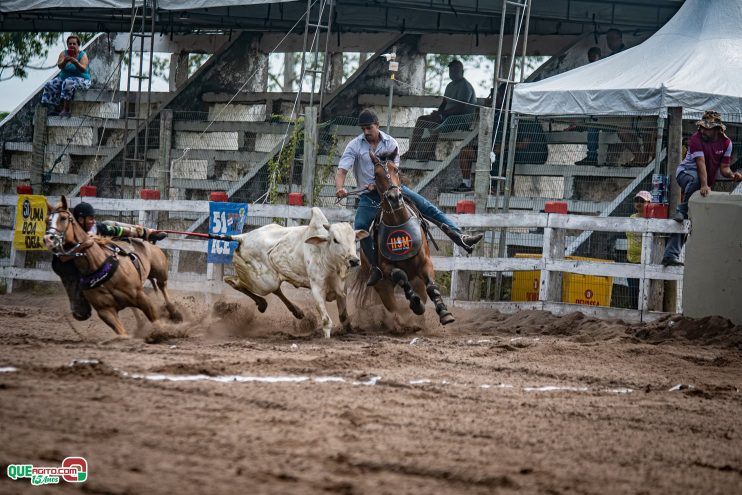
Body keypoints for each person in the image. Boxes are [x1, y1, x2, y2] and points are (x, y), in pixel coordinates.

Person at [336, 109, 484, 286]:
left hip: (394, 190)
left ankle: (460, 237)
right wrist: (340, 188)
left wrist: (377, 184)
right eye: (363, 128)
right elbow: (342, 170)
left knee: (428, 208)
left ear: (377, 125)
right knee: (360, 227)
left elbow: (392, 171)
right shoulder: (354, 145)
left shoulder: (391, 143)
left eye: (369, 127)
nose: (366, 132)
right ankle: (375, 267)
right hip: (370, 197)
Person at [51, 202, 167, 321]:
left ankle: (147, 233)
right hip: (80, 271)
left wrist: (143, 232)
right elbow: (60, 258)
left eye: (92, 218)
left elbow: (118, 230)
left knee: (109, 225)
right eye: (89, 219)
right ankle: (77, 301)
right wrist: (83, 246)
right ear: (80, 220)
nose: (92, 222)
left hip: (100, 265)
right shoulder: (68, 235)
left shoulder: (97, 227)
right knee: (81, 309)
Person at [662, 111, 742, 266]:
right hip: (686, 174)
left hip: (701, 181)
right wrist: (705, 185)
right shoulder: (696, 139)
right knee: (695, 184)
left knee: (687, 219)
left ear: (718, 130)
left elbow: (724, 168)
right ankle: (682, 209)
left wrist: (733, 175)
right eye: (702, 127)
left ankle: (670, 255)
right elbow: (701, 164)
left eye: (707, 128)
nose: (703, 130)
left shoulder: (726, 144)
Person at [452, 84, 548, 192]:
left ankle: (496, 188)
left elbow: (525, 144)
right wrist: (487, 109)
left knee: (498, 153)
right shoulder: (498, 115)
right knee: (466, 151)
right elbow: (486, 134)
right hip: (506, 150)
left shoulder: (523, 113)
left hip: (532, 154)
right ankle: (467, 184)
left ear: (506, 98)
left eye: (497, 96)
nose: (494, 99)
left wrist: (504, 146)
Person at [401, 59, 477, 161]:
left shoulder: (465, 85)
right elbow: (444, 103)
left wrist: (441, 115)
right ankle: (411, 151)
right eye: (451, 70)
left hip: (461, 120)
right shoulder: (450, 85)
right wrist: (438, 113)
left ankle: (431, 154)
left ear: (462, 72)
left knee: (434, 122)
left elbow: (461, 107)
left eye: (455, 70)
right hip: (447, 117)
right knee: (421, 119)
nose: (452, 72)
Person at [40, 34, 91, 117]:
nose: (72, 45)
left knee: (68, 82)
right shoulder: (64, 54)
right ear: (67, 45)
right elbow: (60, 65)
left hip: (83, 80)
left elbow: (83, 69)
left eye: (74, 44)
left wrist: (75, 62)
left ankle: (66, 109)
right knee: (50, 84)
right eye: (70, 44)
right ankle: (54, 108)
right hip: (64, 79)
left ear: (78, 45)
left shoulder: (82, 55)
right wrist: (65, 61)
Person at [575, 47, 603, 166]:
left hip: (605, 113)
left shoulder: (603, 70)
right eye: (590, 57)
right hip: (592, 111)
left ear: (599, 56)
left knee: (592, 126)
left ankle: (592, 156)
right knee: (589, 123)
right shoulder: (589, 71)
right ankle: (591, 156)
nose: (591, 59)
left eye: (594, 56)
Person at [626, 190, 651, 308]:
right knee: (632, 291)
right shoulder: (631, 217)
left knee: (644, 291)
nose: (639, 203)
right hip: (631, 260)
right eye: (637, 200)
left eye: (642, 201)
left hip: (644, 261)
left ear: (649, 203)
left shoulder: (650, 219)